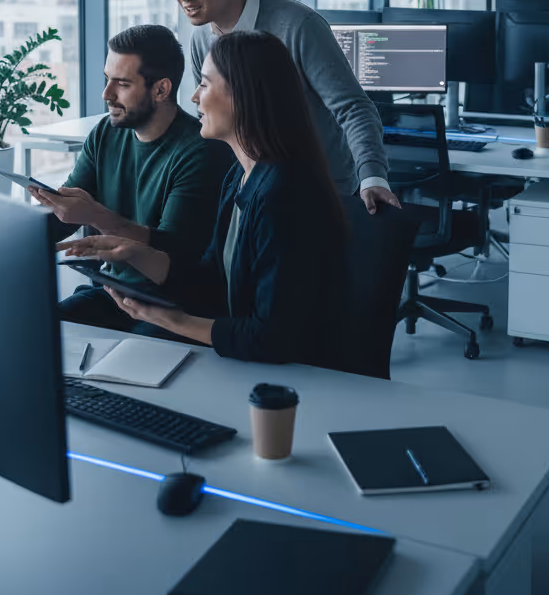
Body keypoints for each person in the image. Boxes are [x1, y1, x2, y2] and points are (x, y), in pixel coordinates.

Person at [59, 30, 345, 369]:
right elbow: (209, 279)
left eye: (205, 85)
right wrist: (136, 253)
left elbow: (271, 339)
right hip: (241, 353)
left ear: (244, 96)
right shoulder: (240, 176)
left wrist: (170, 320)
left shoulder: (283, 195)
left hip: (287, 374)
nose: (194, 96)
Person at [165, 0, 399, 216]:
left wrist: (372, 176)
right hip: (252, 193)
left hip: (321, 193)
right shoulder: (201, 38)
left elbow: (353, 108)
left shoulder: (299, 26)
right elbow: (214, 119)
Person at [32, 24, 233, 332]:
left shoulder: (201, 151)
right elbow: (67, 213)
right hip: (112, 292)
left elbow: (171, 255)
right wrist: (8, 232)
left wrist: (97, 216)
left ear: (161, 90)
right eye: (107, 79)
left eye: (122, 84)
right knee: (38, 330)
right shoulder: (105, 132)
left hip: (171, 308)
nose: (106, 94)